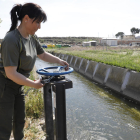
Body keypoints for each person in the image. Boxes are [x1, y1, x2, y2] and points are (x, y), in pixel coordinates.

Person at [0, 3, 69, 140]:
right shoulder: (11, 39)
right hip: (5, 87)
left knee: (20, 121)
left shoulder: (32, 38)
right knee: (4, 125)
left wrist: (59, 61)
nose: (39, 26)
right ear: (26, 18)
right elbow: (11, 73)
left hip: (19, 85)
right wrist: (33, 84)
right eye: (37, 22)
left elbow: (42, 55)